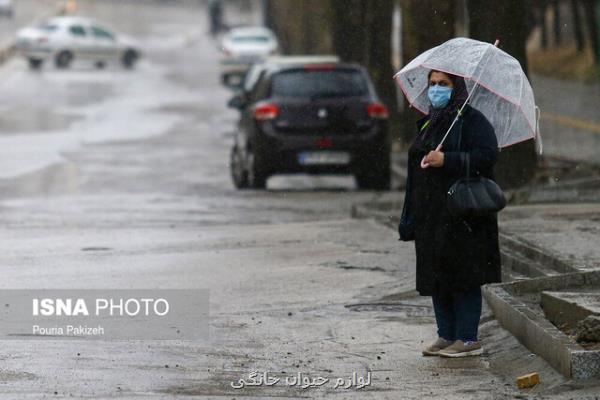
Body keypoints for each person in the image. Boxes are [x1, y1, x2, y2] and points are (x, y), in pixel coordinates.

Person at [398, 70, 501, 358]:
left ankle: (468, 339)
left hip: (463, 215)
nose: (436, 89)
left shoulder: (472, 120)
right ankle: (446, 334)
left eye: (443, 84)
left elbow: (487, 156)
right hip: (431, 213)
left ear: (457, 88)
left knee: (463, 275)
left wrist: (448, 160)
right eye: (432, 84)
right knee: (437, 274)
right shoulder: (431, 121)